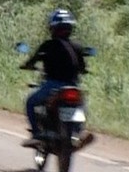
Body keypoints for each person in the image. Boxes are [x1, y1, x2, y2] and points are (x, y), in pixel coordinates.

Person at [19, 8, 93, 148]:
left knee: (30, 102)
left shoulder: (48, 45)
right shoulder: (77, 46)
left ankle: (36, 134)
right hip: (73, 85)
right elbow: (82, 68)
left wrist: (27, 65)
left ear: (52, 28)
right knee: (81, 105)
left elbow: (32, 61)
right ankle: (79, 132)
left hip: (52, 85)